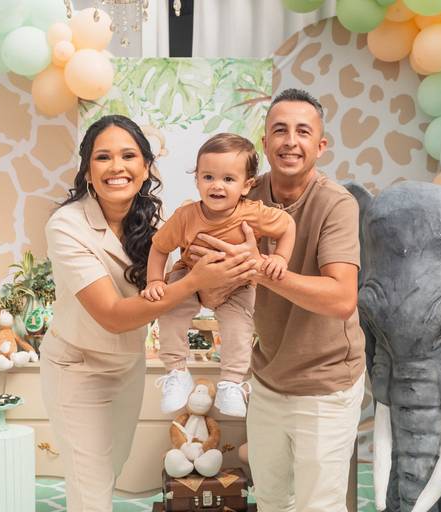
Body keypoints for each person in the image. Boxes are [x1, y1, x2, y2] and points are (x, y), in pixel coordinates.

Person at [40, 115, 256, 512]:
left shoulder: (155, 222)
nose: (117, 167)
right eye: (103, 157)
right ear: (87, 171)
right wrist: (196, 281)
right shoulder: (66, 226)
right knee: (90, 487)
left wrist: (227, 272)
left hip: (127, 365)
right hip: (77, 368)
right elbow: (112, 314)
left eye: (128, 156)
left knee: (110, 470)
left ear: (146, 168)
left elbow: (182, 288)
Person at [193, 89, 366, 511]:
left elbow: (342, 299)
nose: (291, 141)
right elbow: (210, 293)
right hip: (267, 378)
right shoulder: (241, 195)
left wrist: (261, 269)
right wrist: (208, 277)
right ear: (265, 142)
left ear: (320, 146)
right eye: (280, 131)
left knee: (318, 505)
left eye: (303, 132)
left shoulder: (336, 205)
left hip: (326, 383)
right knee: (271, 499)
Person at [141, 133, 295, 418]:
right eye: (208, 177)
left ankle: (231, 383)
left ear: (247, 185)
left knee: (239, 327)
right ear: (197, 180)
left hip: (237, 283)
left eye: (228, 179)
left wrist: (279, 257)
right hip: (190, 274)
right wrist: (155, 281)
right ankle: (176, 372)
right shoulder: (186, 216)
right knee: (170, 310)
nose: (217, 185)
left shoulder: (253, 213)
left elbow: (287, 226)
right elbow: (160, 247)